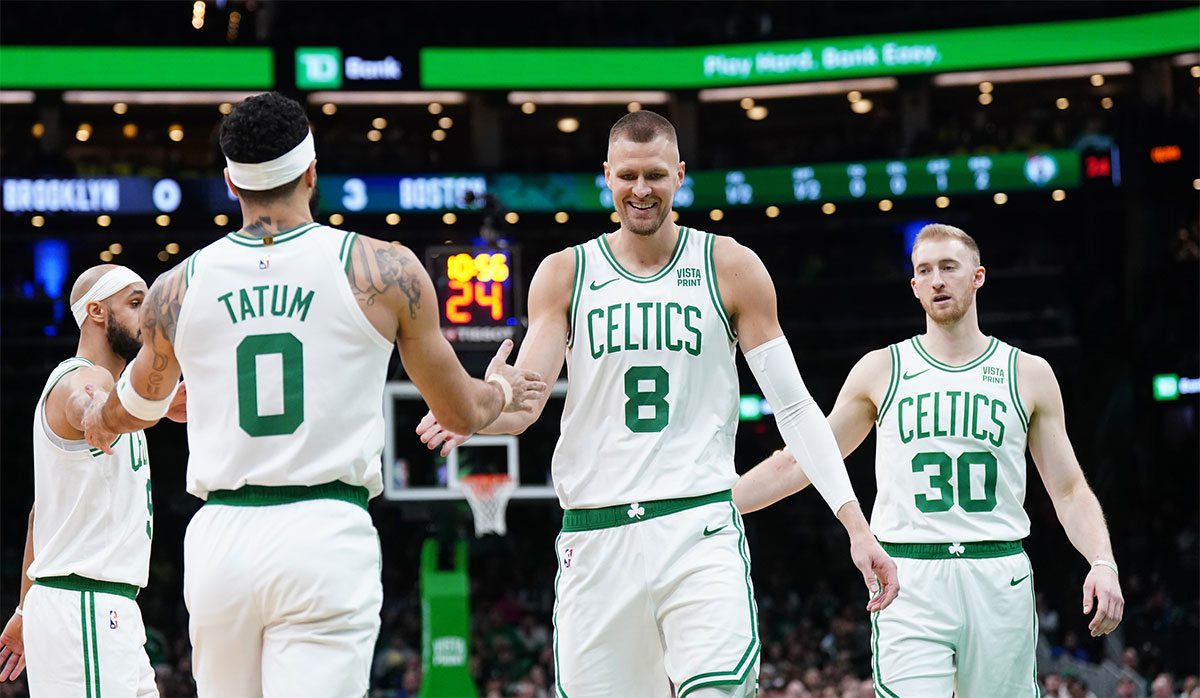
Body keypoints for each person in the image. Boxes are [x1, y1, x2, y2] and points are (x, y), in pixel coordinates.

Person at [416, 110, 898, 698]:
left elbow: (795, 410)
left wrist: (856, 524)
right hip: (597, 536)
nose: (640, 190)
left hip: (698, 527)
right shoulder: (565, 273)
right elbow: (527, 401)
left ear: (679, 175)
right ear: (607, 177)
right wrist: (476, 408)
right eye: (627, 176)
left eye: (654, 175)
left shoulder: (731, 266)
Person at [81, 91, 546, 696]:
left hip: (222, 535)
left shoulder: (175, 287)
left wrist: (100, 415)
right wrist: (502, 389)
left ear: (229, 183)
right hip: (325, 530)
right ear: (311, 170)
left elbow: (133, 407)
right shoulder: (384, 270)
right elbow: (460, 410)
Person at [732, 224, 1124, 697]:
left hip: (998, 572)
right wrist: (715, 503)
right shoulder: (882, 369)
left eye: (948, 267)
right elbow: (802, 462)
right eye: (924, 270)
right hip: (908, 575)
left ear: (977, 276)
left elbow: (1068, 490)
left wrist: (1102, 561)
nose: (937, 279)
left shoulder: (1029, 373)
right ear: (914, 286)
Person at [0, 264, 185, 695]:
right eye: (136, 304)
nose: (148, 316)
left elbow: (38, 516)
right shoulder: (84, 379)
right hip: (85, 605)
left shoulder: (117, 391)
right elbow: (94, 415)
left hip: (100, 609)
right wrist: (151, 407)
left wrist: (26, 611)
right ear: (98, 312)